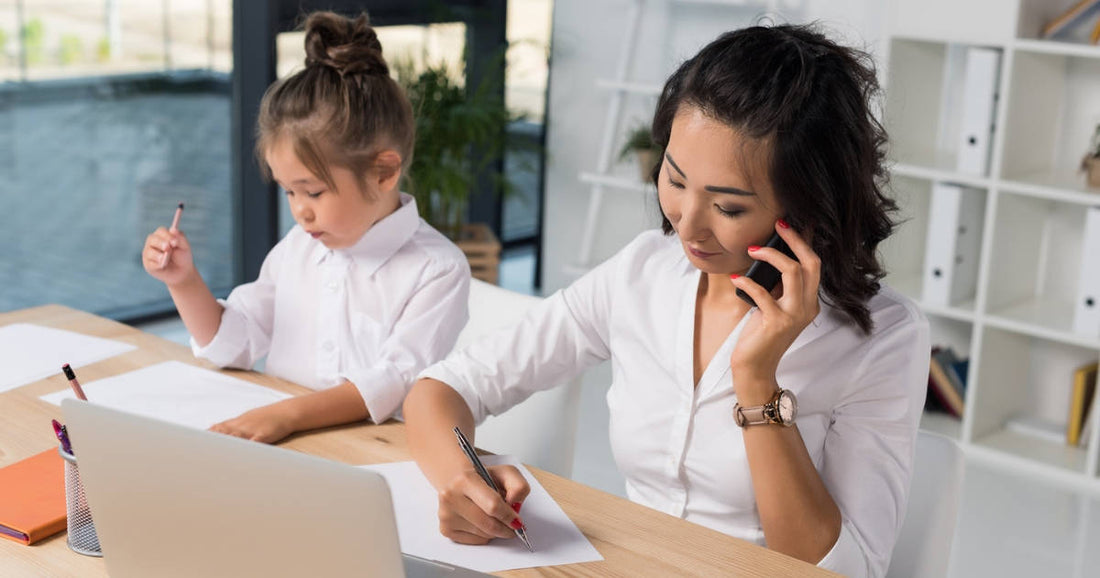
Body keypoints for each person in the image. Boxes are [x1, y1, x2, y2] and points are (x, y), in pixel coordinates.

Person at [403, 24, 928, 578]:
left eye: (727, 208)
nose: (687, 225)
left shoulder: (885, 338)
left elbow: (844, 569)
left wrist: (756, 382)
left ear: (806, 210)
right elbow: (444, 388)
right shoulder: (642, 272)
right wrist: (462, 482)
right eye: (675, 180)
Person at [141, 11, 470, 444]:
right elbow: (235, 342)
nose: (300, 212)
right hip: (284, 442)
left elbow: (394, 383)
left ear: (383, 172)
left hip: (372, 456)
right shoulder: (300, 247)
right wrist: (183, 282)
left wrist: (286, 415)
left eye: (313, 192)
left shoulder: (437, 270)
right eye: (288, 193)